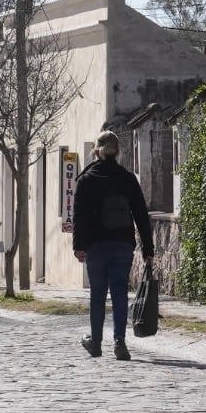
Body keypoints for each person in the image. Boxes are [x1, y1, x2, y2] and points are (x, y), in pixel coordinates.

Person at [72, 130, 154, 361]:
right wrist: (148, 248)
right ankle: (119, 341)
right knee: (119, 292)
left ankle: (95, 343)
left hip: (96, 245)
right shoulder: (127, 178)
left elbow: (79, 215)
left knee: (97, 294)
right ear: (118, 151)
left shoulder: (87, 179)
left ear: (96, 151)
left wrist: (78, 245)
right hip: (122, 244)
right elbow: (140, 214)